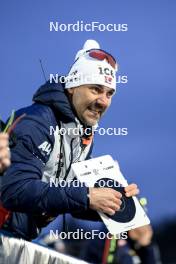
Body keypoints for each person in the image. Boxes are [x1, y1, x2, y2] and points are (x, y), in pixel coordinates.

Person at [0, 39, 139, 242]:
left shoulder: (83, 134)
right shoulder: (37, 122)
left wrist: (115, 200)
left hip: (20, 237)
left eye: (109, 93)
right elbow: (15, 190)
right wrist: (88, 196)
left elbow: (72, 199)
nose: (103, 101)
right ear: (72, 86)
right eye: (95, 89)